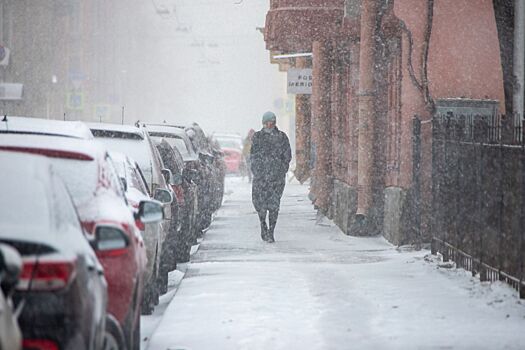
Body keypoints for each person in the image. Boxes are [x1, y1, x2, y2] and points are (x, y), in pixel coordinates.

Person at [250, 111, 292, 243]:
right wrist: (257, 171)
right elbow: (253, 155)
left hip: (276, 179)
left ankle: (271, 231)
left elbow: (287, 155)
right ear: (263, 123)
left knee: (274, 205)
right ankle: (263, 225)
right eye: (268, 122)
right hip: (261, 178)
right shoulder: (257, 137)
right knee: (260, 204)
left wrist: (281, 169)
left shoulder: (282, 137)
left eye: (273, 121)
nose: (271, 124)